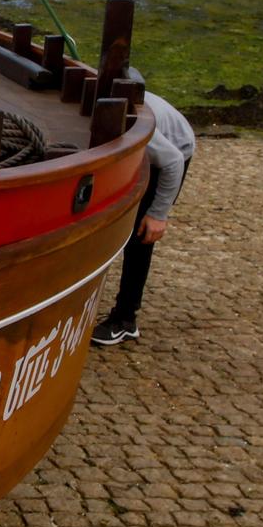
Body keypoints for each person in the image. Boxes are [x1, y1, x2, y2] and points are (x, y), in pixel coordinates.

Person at [93, 90, 196, 346]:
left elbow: (172, 161)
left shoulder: (136, 130)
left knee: (141, 235)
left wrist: (158, 214)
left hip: (175, 152)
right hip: (142, 148)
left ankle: (125, 319)